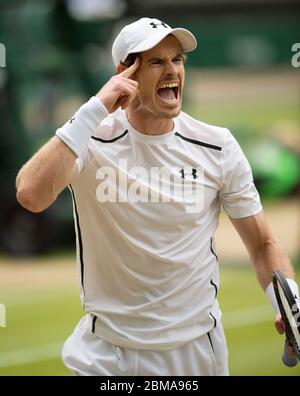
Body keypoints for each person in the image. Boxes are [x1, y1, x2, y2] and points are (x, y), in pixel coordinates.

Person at [16, 17, 299, 376]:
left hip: (196, 352)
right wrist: (94, 109)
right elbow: (30, 194)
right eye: (156, 62)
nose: (172, 71)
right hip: (105, 355)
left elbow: (262, 244)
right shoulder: (89, 140)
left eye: (177, 60)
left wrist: (289, 304)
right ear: (124, 73)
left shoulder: (217, 145)